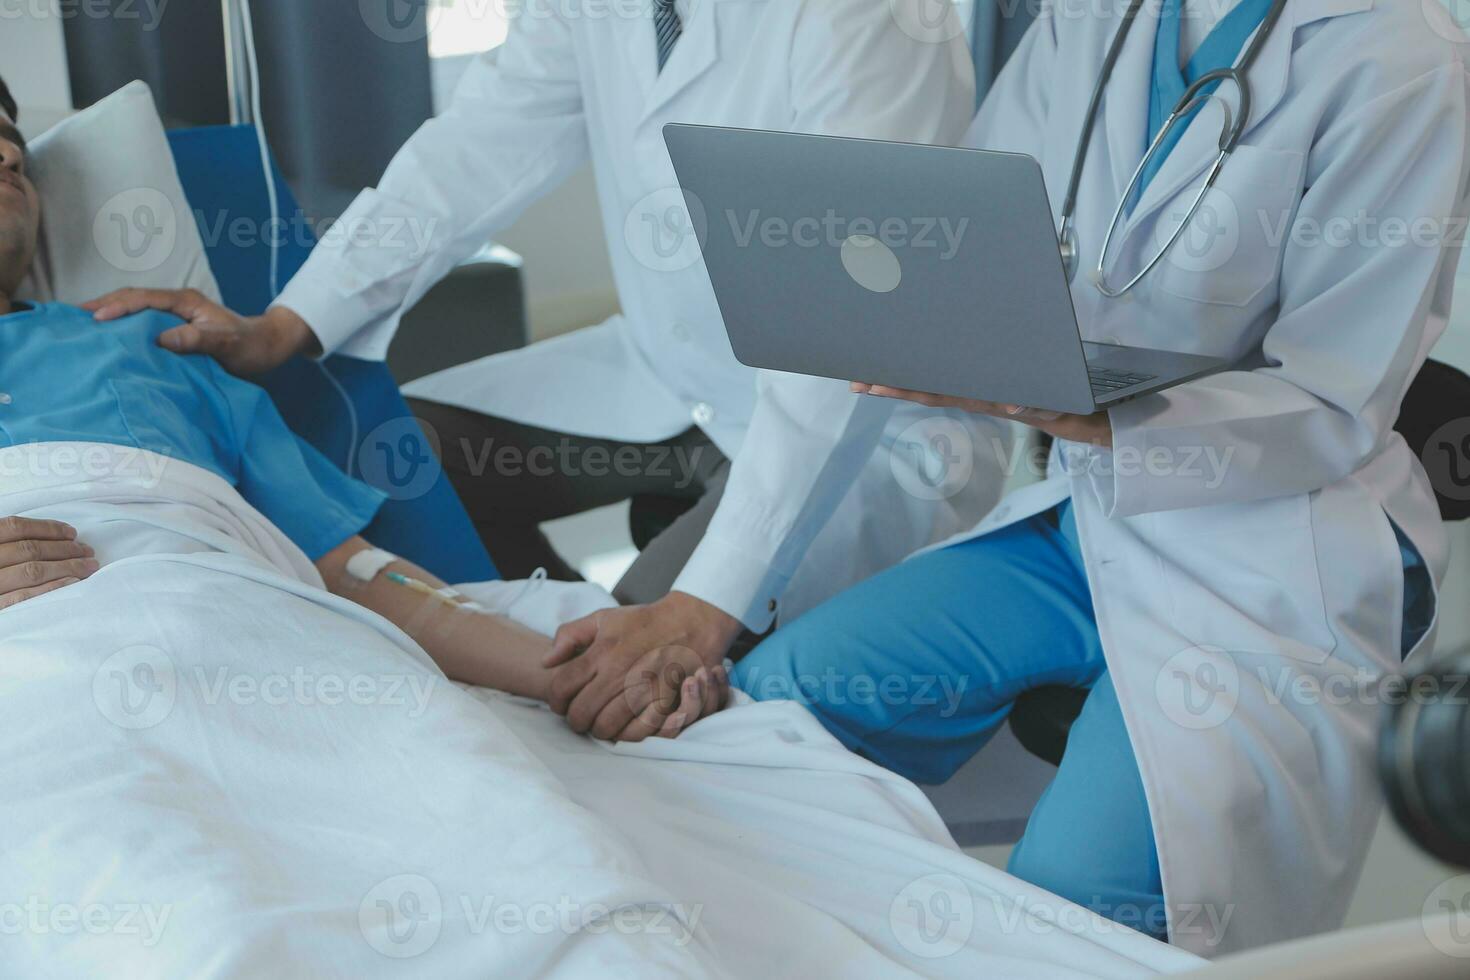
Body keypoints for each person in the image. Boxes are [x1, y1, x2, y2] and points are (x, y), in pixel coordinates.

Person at [731, 0, 1468, 958]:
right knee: (772, 711)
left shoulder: (1404, 57)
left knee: (1074, 919)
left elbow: (1335, 401)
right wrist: (922, 314)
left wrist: (1093, 412)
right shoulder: (1099, 15)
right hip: (1088, 517)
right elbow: (976, 217)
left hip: (1281, 556)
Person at [83, 0, 1013, 742]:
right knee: (400, 463)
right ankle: (570, 654)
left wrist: (699, 608)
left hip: (857, 423)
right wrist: (286, 325)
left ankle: (655, 699)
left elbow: (853, 336)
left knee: (625, 677)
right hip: (668, 374)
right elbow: (472, 153)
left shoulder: (869, 19)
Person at [0, 80, 726, 737]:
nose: (8, 155)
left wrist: (573, 677)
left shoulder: (146, 343)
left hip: (230, 651)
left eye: (15, 148)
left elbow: (354, 575)